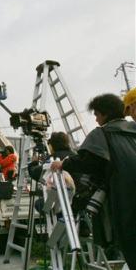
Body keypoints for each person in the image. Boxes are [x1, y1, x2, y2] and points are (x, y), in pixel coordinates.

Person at [51, 93, 136, 269]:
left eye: (97, 115)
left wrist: (63, 164)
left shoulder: (102, 133)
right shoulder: (133, 130)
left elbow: (87, 161)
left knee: (130, 242)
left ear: (104, 114)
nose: (96, 120)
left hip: (124, 198)